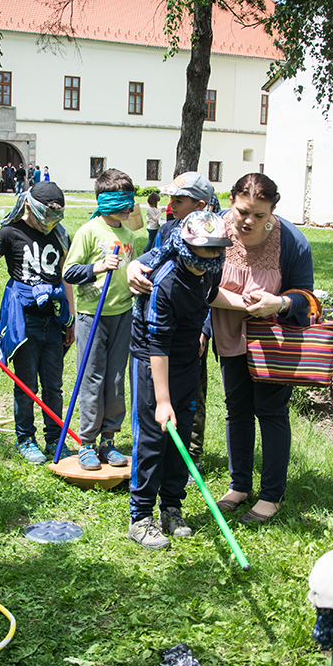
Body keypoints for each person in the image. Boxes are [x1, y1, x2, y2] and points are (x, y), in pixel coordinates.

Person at [208, 173, 313, 525]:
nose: (248, 221)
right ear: (232, 202)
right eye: (242, 212)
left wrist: (279, 302)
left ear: (273, 211)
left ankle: (271, 494)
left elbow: (306, 296)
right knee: (236, 409)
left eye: (259, 215)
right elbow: (198, 280)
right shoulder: (216, 231)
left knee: (270, 411)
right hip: (229, 337)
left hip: (272, 340)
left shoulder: (292, 242)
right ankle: (239, 486)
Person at [127, 211, 231, 550]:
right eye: (205, 251)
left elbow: (206, 302)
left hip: (187, 362)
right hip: (154, 364)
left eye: (217, 250)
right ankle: (141, 517)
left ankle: (172, 508)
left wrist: (202, 331)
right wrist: (162, 400)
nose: (212, 258)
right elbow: (157, 343)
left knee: (181, 439)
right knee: (153, 442)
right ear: (186, 246)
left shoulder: (208, 271)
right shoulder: (166, 280)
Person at [0, 182, 75, 465]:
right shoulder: (10, 233)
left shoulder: (59, 236)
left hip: (53, 321)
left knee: (53, 385)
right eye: (45, 215)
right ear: (28, 207)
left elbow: (64, 277)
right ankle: (26, 438)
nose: (49, 222)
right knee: (26, 384)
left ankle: (55, 439)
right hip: (25, 321)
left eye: (56, 216)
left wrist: (70, 318)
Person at [131, 172, 215, 469]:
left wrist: (206, 329)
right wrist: (133, 267)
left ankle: (189, 456)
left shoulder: (213, 240)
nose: (171, 205)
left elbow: (212, 289)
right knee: (156, 407)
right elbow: (149, 259)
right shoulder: (169, 232)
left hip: (192, 339)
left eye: (179, 201)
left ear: (200, 206)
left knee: (191, 401)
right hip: (158, 335)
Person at [62, 168, 137, 470]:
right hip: (92, 315)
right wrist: (98, 267)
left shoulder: (129, 235)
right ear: (107, 201)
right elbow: (69, 272)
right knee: (92, 378)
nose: (128, 207)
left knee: (116, 379)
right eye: (122, 201)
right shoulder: (89, 231)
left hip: (123, 313)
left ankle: (109, 439)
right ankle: (87, 442)